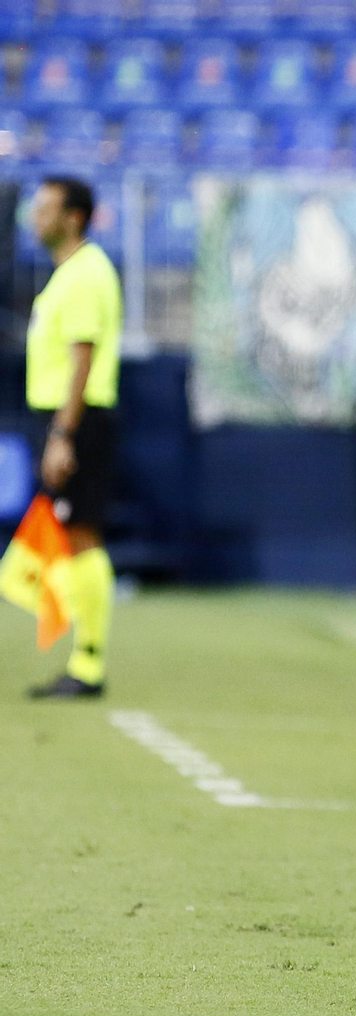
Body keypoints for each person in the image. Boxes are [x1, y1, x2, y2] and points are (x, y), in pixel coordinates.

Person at [22, 176, 123, 700]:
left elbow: (82, 356)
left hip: (78, 420)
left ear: (74, 217)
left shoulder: (85, 274)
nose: (34, 217)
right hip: (68, 419)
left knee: (82, 534)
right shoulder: (71, 272)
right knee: (68, 534)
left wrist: (63, 433)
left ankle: (89, 662)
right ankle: (81, 653)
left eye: (45, 208)